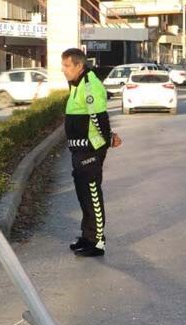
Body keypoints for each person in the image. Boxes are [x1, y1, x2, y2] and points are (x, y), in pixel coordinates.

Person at [61, 48, 122, 257]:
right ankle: (87, 236)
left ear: (79, 66)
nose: (63, 70)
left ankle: (97, 242)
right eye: (63, 65)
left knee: (92, 194)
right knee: (83, 195)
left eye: (67, 66)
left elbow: (98, 119)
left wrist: (107, 140)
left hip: (90, 150)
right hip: (79, 149)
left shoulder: (90, 86)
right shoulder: (77, 84)